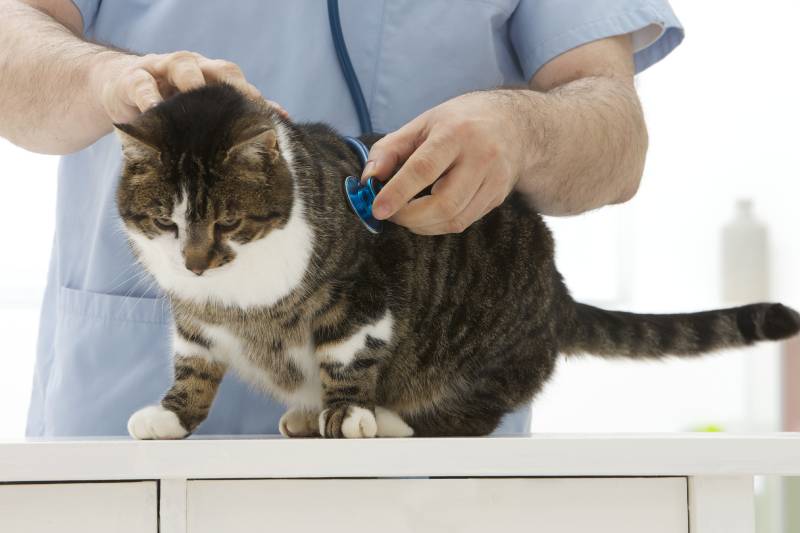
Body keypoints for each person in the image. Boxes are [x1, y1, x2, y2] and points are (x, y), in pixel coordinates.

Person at [0, 0, 683, 437]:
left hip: (423, 436)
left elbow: (616, 137)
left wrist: (525, 130)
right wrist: (105, 81)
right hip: (134, 434)